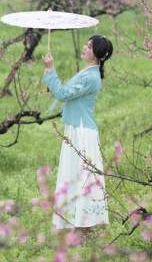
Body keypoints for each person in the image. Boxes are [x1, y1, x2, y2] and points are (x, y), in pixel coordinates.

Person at [42, 35, 113, 232]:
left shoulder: (91, 77)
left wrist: (50, 70)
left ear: (97, 54)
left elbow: (64, 94)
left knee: (81, 177)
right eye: (87, 44)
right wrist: (52, 80)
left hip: (82, 132)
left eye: (90, 47)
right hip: (76, 128)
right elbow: (66, 92)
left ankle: (85, 223)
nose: (85, 47)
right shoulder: (89, 72)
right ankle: (77, 222)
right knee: (74, 175)